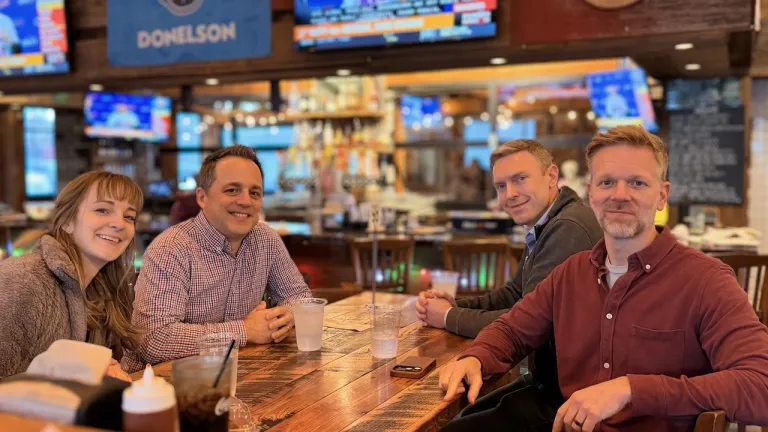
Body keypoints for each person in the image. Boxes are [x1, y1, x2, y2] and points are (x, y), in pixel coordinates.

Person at [437, 125, 768, 432]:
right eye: (607, 182)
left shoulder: (706, 280)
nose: (619, 195)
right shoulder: (571, 273)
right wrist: (476, 356)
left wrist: (631, 389)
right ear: (591, 192)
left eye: (637, 182)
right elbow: (511, 329)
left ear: (662, 195)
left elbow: (761, 386)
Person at [417, 139, 602, 422]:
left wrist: (449, 317)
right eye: (501, 186)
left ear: (551, 176)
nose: (510, 194)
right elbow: (516, 293)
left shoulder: (568, 228)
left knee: (448, 420)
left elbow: (528, 321)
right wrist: (455, 305)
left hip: (570, 400)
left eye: (520, 179)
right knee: (455, 415)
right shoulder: (550, 222)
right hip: (547, 382)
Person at [123, 145, 311, 372]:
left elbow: (301, 297)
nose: (245, 201)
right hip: (160, 388)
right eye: (232, 190)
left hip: (234, 376)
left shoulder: (265, 240)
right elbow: (153, 340)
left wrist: (287, 315)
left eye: (254, 193)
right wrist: (245, 331)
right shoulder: (172, 248)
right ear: (202, 197)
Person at [0, 171, 143, 381]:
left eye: (129, 216)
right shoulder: (22, 278)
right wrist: (85, 370)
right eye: (102, 210)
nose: (119, 224)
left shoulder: (102, 290)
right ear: (67, 221)